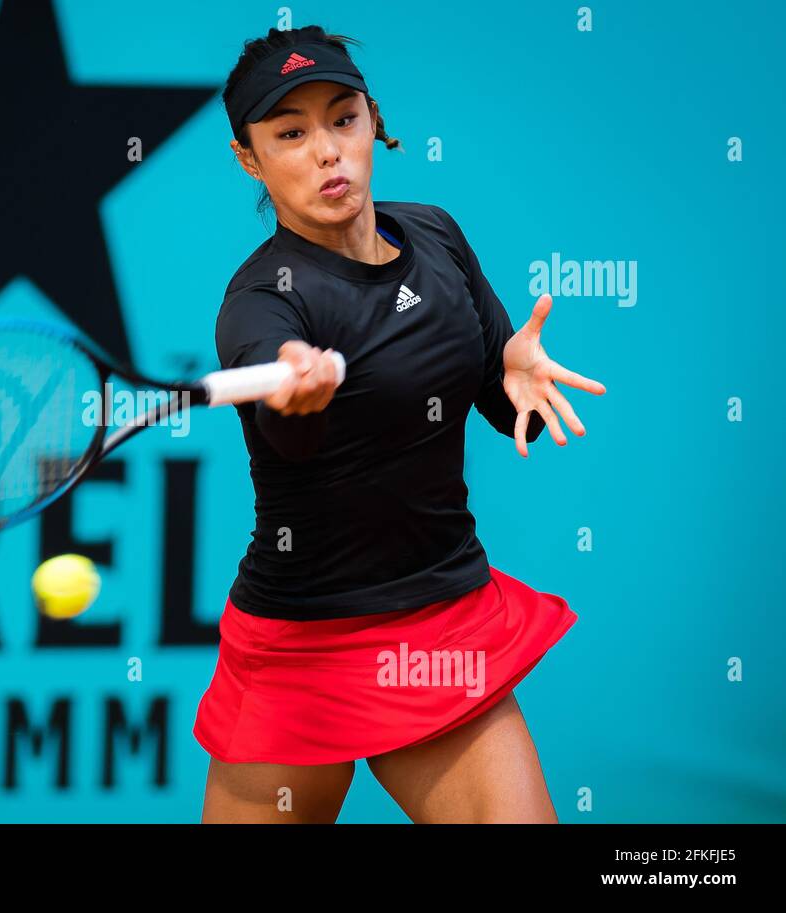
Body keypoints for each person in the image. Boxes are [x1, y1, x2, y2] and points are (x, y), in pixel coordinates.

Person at [193, 24, 607, 824]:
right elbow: (287, 432)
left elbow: (491, 395)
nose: (326, 152)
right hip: (301, 644)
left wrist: (510, 376)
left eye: (342, 118)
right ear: (250, 158)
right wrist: (292, 387)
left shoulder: (437, 235)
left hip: (438, 625)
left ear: (372, 120)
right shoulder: (262, 302)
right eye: (290, 133)